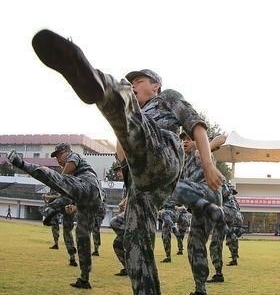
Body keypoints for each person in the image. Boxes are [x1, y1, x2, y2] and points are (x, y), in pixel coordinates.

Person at [30, 29, 224, 295]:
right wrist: (121, 133)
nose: (135, 83)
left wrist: (208, 163)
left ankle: (95, 80)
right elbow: (123, 157)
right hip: (143, 186)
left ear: (155, 85)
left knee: (121, 94)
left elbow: (197, 126)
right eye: (133, 81)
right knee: (134, 244)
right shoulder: (137, 113)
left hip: (165, 153)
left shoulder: (167, 98)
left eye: (139, 80)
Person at [8, 142, 103, 289]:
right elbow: (75, 193)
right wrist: (71, 203)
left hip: (88, 186)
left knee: (50, 175)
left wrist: (59, 181)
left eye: (59, 154)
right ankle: (85, 279)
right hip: (91, 201)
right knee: (83, 238)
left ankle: (20, 163)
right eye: (56, 156)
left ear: (66, 151)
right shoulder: (75, 177)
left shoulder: (74, 156)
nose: (57, 159)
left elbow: (67, 173)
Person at [174, 131, 226, 294]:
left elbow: (222, 138)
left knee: (172, 186)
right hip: (201, 207)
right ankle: (200, 289)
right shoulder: (184, 161)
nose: (185, 142)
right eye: (183, 139)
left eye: (189, 139)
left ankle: (212, 209)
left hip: (209, 191)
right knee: (194, 245)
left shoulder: (204, 148)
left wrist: (202, 147)